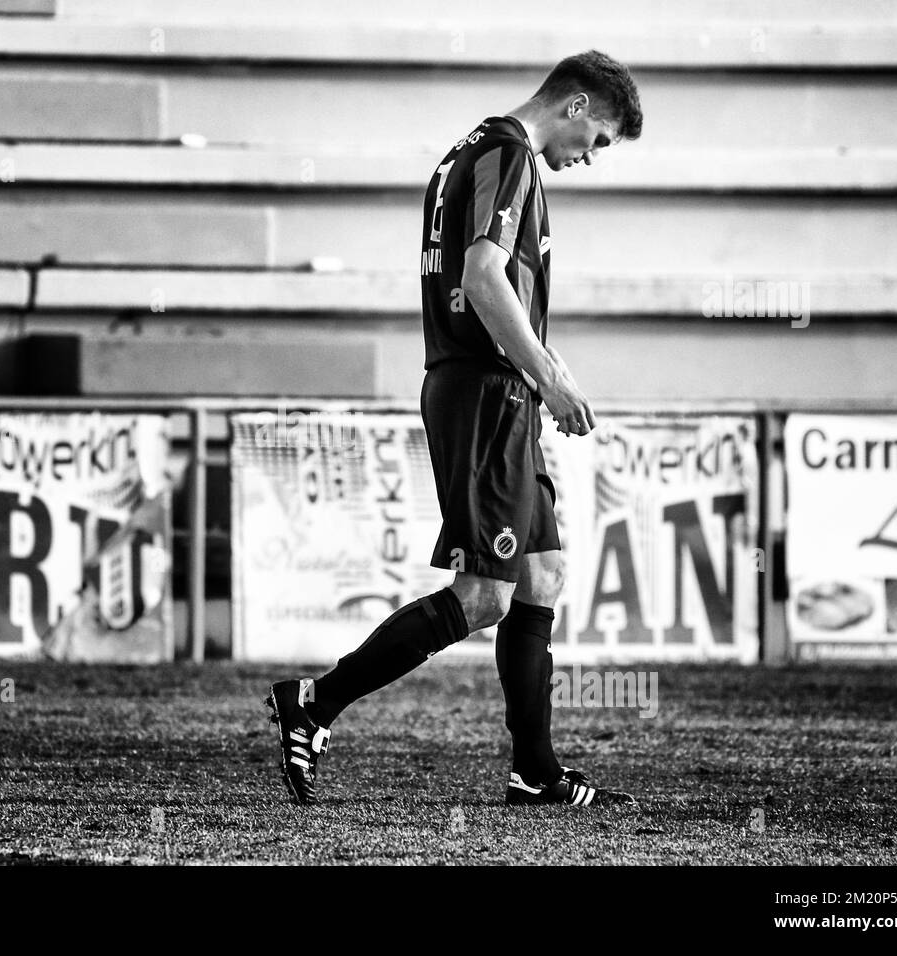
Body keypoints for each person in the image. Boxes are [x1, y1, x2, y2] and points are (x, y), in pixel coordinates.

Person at [268, 50, 644, 807]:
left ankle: (534, 772)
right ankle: (314, 701)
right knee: (484, 596)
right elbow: (481, 278)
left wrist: (543, 371)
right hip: (486, 393)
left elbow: (503, 290)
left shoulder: (467, 151)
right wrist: (550, 377)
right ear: (574, 106)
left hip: (496, 390)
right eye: (598, 140)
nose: (590, 158)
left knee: (543, 576)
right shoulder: (509, 154)